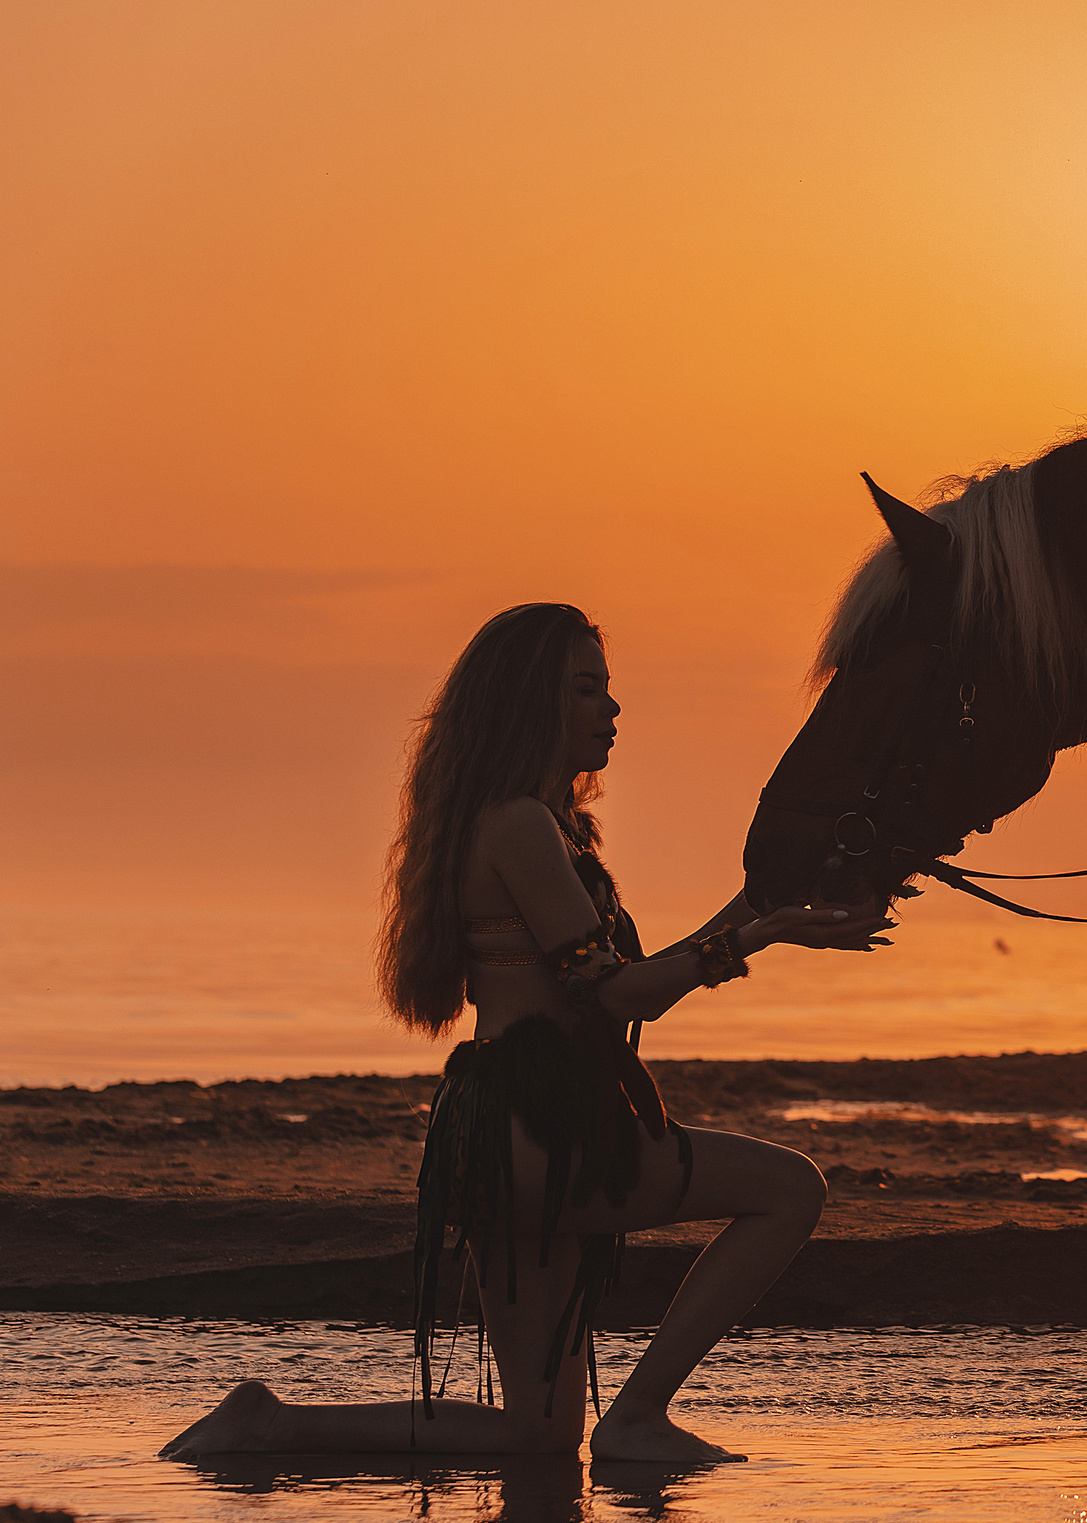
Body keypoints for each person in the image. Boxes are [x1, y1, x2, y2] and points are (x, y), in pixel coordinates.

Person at [162, 603, 884, 1462]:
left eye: (608, 690)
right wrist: (756, 936)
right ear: (529, 703)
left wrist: (770, 906)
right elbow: (612, 997)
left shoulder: (540, 828)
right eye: (586, 689)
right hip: (545, 1126)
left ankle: (274, 1424)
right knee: (791, 1187)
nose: (610, 709)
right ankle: (641, 1415)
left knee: (536, 1435)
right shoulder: (518, 825)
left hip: (503, 1132)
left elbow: (642, 983)